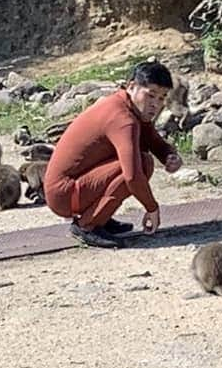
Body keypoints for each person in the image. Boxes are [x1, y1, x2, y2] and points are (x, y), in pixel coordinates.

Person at [43, 60, 184, 249]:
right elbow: (132, 176)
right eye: (150, 95)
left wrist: (168, 155)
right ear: (132, 87)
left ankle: (100, 217)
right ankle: (88, 225)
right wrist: (152, 208)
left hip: (71, 187)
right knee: (141, 164)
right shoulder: (123, 119)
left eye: (161, 98)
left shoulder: (127, 106)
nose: (155, 105)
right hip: (63, 194)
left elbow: (152, 139)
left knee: (142, 161)